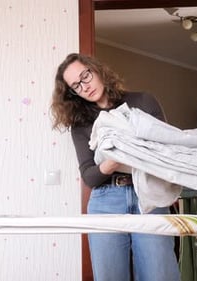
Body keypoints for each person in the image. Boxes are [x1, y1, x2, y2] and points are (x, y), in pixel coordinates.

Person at [50, 53, 180, 281]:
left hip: (148, 194)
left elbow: (166, 151)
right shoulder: (80, 124)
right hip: (105, 200)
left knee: (161, 274)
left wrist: (132, 151)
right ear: (72, 93)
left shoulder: (143, 101)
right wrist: (115, 160)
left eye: (85, 76)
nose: (85, 86)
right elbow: (89, 176)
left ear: (96, 69)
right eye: (76, 85)